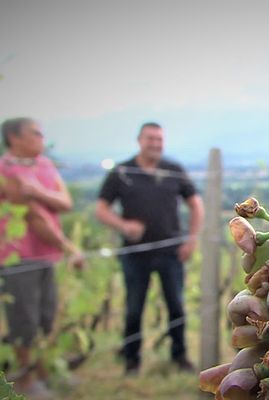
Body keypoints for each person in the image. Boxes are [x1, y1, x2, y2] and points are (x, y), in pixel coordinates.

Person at [95, 122, 204, 375]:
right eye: (150, 139)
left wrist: (191, 239)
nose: (155, 143)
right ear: (139, 141)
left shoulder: (174, 169)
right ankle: (131, 360)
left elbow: (196, 205)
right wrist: (123, 225)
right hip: (134, 255)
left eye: (159, 139)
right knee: (134, 308)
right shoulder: (122, 172)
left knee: (176, 306)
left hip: (171, 252)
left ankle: (180, 356)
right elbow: (101, 210)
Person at [0, 117, 78, 399]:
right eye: (35, 134)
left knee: (46, 317)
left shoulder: (43, 165)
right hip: (18, 258)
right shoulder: (7, 170)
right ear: (14, 137)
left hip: (47, 256)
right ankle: (24, 379)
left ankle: (45, 373)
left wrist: (37, 191)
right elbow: (35, 218)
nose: (41, 139)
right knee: (24, 320)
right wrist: (71, 248)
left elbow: (65, 202)